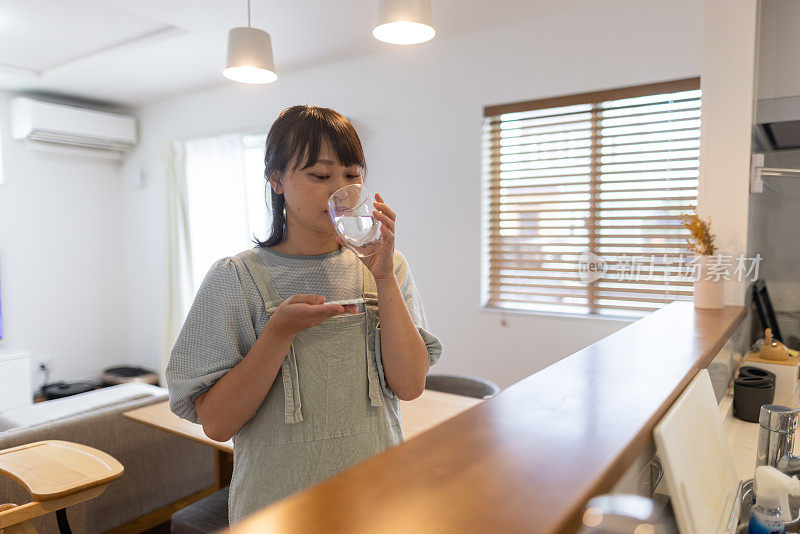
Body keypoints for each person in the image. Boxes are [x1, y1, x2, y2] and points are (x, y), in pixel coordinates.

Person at [165, 105, 443, 525]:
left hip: (377, 497)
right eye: (319, 175)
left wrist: (383, 278)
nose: (341, 191)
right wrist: (278, 333)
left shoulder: (387, 266)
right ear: (276, 180)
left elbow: (409, 385)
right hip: (276, 509)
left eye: (352, 175)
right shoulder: (236, 278)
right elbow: (217, 423)